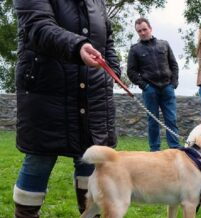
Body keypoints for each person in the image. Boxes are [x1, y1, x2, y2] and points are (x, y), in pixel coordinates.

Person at [12, 0, 121, 217]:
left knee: (91, 159)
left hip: (92, 93)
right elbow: (38, 27)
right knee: (39, 159)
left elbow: (106, 39)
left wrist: (112, 70)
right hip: (46, 92)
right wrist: (78, 46)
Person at [127, 18, 181, 152]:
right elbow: (131, 71)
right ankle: (155, 150)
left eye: (144, 29)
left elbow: (174, 65)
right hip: (150, 90)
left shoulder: (164, 44)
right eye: (139, 31)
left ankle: (175, 148)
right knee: (153, 122)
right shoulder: (135, 50)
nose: (142, 33)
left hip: (167, 88)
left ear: (150, 28)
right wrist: (144, 86)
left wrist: (173, 83)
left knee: (171, 119)